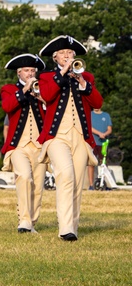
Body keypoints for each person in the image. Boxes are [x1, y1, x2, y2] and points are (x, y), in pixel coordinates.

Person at [36, 35, 104, 241]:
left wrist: (83, 83)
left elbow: (98, 103)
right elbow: (47, 96)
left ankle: (72, 227)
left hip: (81, 137)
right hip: (57, 136)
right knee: (65, 175)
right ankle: (65, 229)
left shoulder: (87, 76)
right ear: (55, 58)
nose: (67, 56)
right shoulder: (47, 77)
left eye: (70, 53)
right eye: (63, 54)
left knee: (76, 183)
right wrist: (63, 74)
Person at [0, 53, 46, 233]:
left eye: (33, 70)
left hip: (39, 145)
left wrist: (41, 96)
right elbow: (8, 106)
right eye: (26, 70)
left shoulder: (42, 89)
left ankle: (32, 222)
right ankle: (24, 221)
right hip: (18, 145)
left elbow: (52, 110)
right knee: (24, 177)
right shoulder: (9, 89)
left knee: (38, 186)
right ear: (19, 73)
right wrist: (25, 90)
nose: (30, 73)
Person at [89, 107, 112, 187]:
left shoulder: (106, 115)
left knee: (104, 163)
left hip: (103, 143)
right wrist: (99, 133)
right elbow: (89, 127)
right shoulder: (90, 114)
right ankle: (91, 185)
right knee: (91, 163)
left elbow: (109, 129)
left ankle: (103, 183)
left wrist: (104, 134)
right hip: (92, 142)